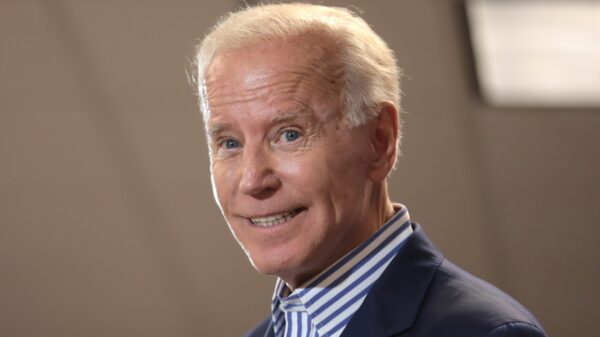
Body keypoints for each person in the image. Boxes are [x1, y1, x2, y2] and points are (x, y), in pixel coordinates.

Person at [194, 3, 547, 337]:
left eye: (289, 135)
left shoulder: (484, 332)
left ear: (379, 142)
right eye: (229, 143)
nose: (253, 179)